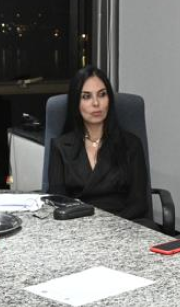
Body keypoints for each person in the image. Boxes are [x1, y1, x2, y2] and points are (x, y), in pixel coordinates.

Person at [47, 65, 150, 223]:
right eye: (86, 97)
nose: (96, 103)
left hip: (125, 223)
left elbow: (139, 203)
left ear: (109, 99)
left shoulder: (131, 144)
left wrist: (112, 225)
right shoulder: (60, 146)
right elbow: (58, 201)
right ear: (76, 103)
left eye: (102, 95)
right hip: (79, 224)